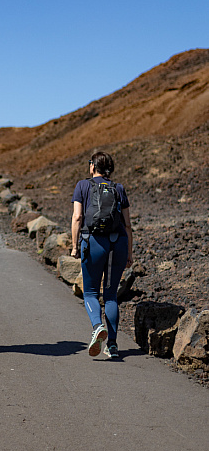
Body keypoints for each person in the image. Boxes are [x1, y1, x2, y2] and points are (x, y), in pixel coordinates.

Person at [71, 151, 133, 359]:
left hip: (93, 242)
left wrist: (74, 246)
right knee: (111, 295)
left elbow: (78, 217)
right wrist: (129, 254)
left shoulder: (83, 186)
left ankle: (97, 326)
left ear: (92, 167)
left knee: (90, 292)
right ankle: (113, 346)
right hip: (118, 243)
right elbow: (128, 225)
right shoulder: (119, 188)